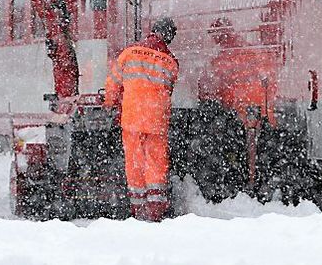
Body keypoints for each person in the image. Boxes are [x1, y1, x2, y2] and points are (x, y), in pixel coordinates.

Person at [104, 17, 179, 221]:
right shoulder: (171, 62)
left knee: (135, 162)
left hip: (132, 118)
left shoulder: (129, 54)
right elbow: (168, 90)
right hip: (156, 120)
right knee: (156, 163)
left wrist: (110, 105)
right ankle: (156, 209)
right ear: (168, 36)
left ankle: (137, 208)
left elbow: (113, 84)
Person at [198, 17, 279, 186]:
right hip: (262, 107)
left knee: (247, 151)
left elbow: (215, 87)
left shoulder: (224, 58)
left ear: (221, 35)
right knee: (258, 152)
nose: (213, 40)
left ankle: (248, 183)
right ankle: (257, 182)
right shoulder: (248, 50)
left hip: (243, 110)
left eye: (214, 35)